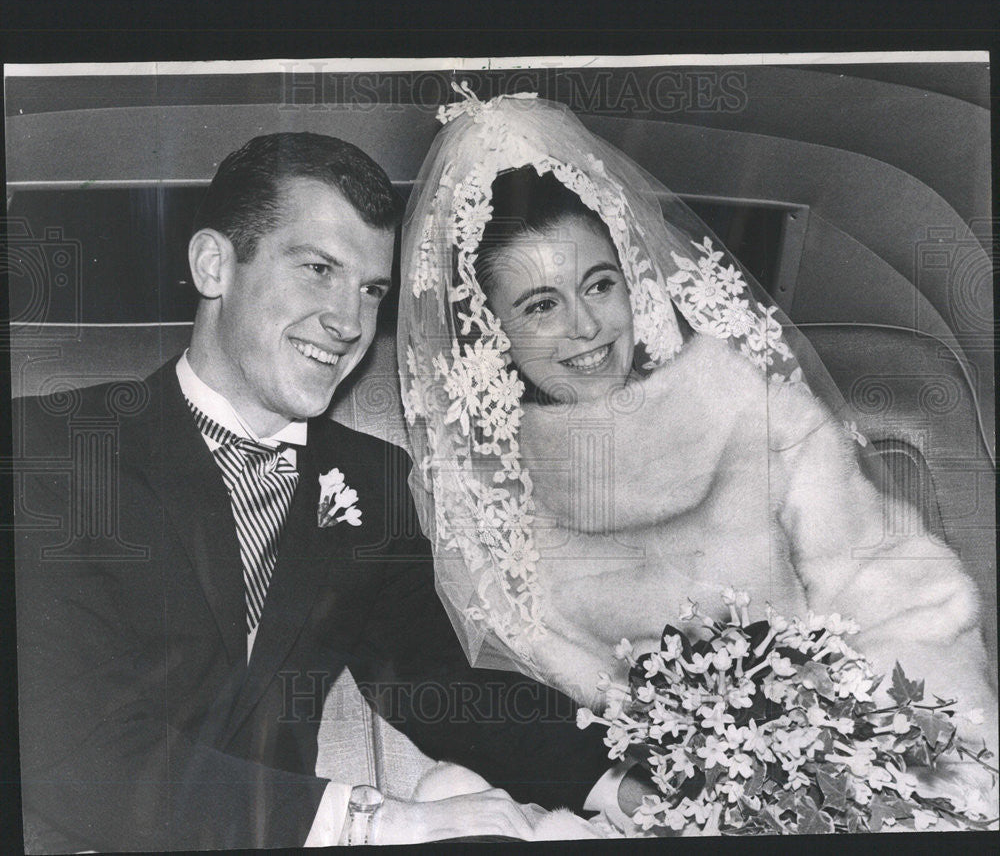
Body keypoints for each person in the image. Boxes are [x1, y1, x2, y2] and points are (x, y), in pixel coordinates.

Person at [397, 90, 998, 821]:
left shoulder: (746, 403)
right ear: (493, 331)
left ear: (633, 281)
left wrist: (905, 748)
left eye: (599, 284)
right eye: (541, 305)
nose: (587, 328)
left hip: (854, 748)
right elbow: (529, 707)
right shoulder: (481, 486)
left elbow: (899, 592)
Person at [12, 132, 620, 852]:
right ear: (214, 265)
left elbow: (438, 685)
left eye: (371, 290)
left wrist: (617, 781)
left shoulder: (372, 478)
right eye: (317, 269)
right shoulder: (44, 449)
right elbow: (74, 750)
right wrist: (378, 819)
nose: (349, 323)